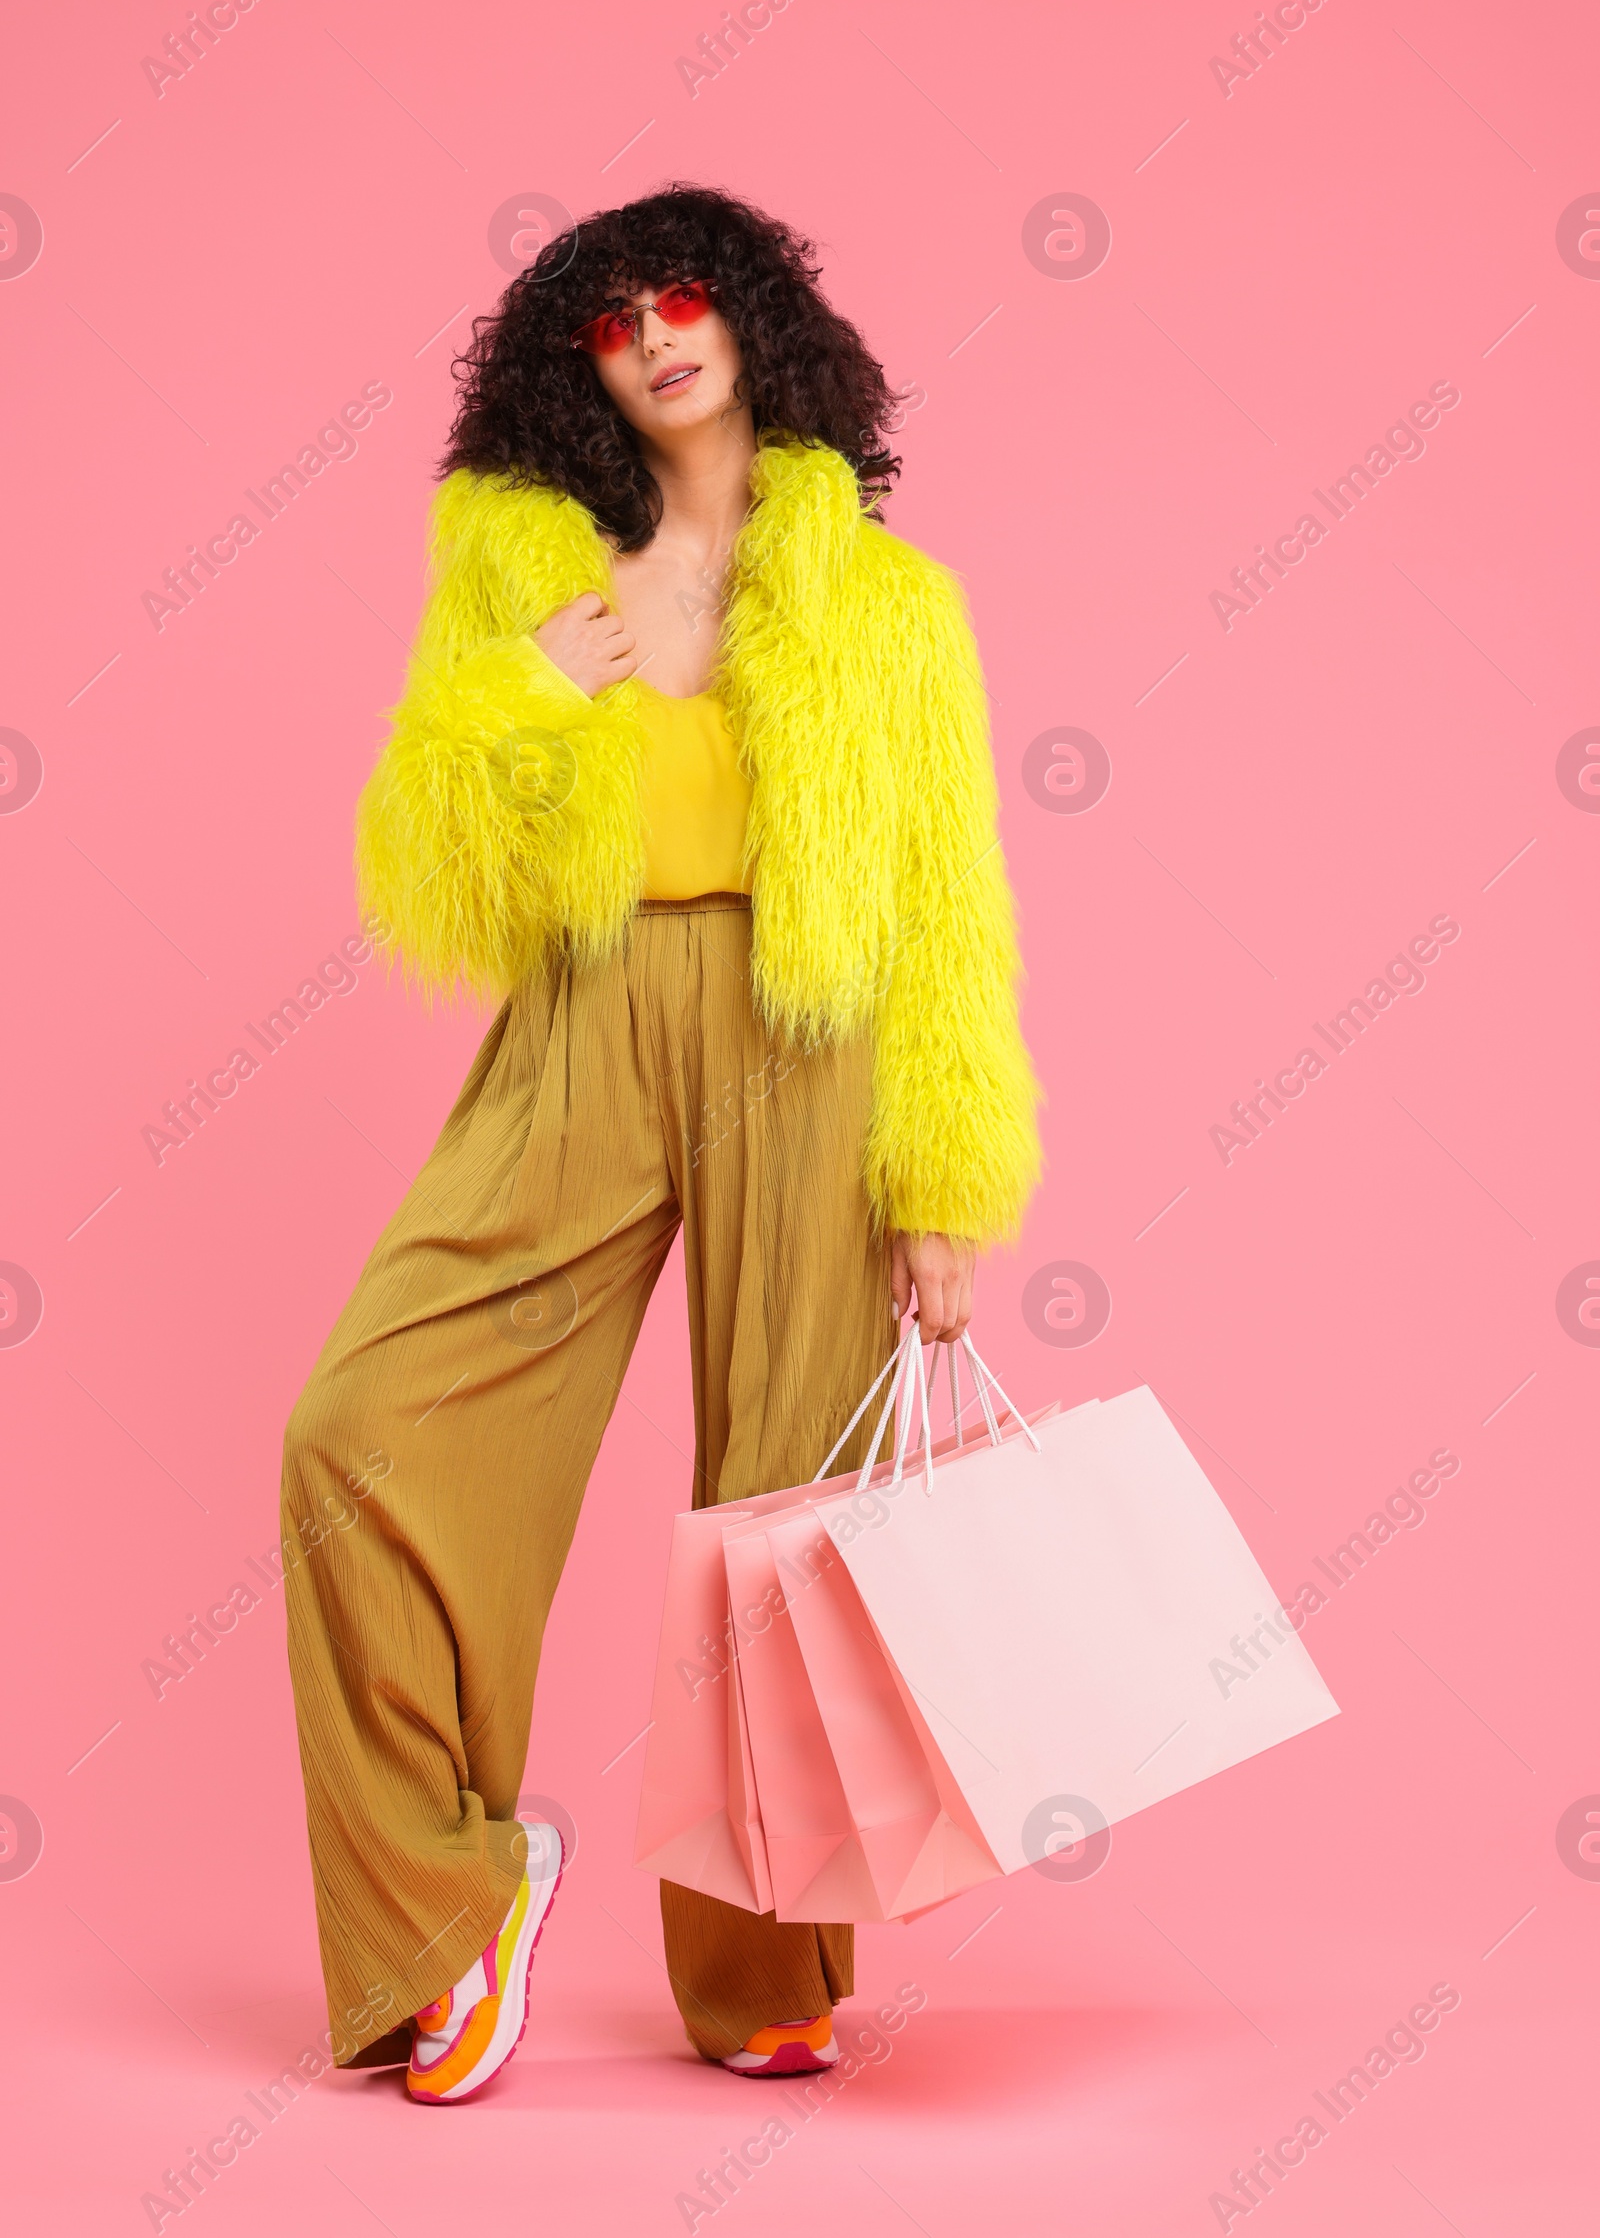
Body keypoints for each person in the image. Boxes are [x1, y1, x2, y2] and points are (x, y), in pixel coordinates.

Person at [281, 183, 1040, 2104]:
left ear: (756, 320)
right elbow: (427, 875)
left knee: (788, 1494)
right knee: (358, 1432)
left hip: (818, 1046)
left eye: (684, 294)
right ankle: (454, 1902)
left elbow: (952, 894)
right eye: (610, 317)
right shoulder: (521, 568)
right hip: (585, 1013)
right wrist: (524, 692)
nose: (655, 333)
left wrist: (944, 1185)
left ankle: (765, 1960)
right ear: (579, 366)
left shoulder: (891, 603)